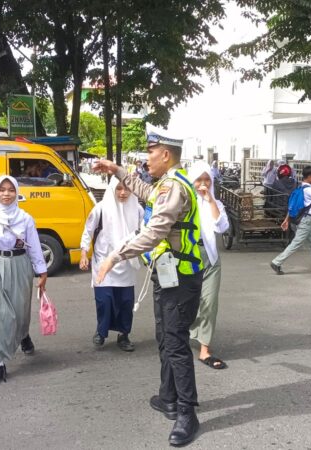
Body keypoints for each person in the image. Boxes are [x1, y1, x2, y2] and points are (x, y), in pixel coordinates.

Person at [92, 133, 204, 447]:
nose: (146, 158)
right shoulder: (166, 184)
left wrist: (116, 255)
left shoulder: (173, 186)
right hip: (168, 276)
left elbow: (155, 231)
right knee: (164, 337)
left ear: (165, 155)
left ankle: (187, 413)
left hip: (181, 279)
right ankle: (168, 397)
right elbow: (144, 191)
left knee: (176, 342)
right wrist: (115, 169)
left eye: (150, 153)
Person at [0, 176, 47, 387]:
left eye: (10, 190)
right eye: (2, 190)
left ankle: (23, 334)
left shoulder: (25, 218)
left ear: (17, 193)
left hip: (20, 265)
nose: (6, 194)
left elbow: (34, 246)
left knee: (20, 311)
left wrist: (42, 272)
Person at [80, 177, 144, 352]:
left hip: (127, 263)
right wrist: (84, 253)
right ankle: (101, 332)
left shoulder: (137, 209)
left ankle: (124, 335)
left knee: (125, 302)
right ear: (112, 189)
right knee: (104, 300)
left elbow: (144, 232)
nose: (123, 193)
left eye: (127, 189)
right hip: (103, 263)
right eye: (119, 189)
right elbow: (88, 231)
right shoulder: (101, 209)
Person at [187, 161, 230, 370]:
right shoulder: (184, 202)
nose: (203, 184)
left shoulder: (215, 203)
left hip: (210, 258)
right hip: (187, 258)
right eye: (199, 180)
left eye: (207, 180)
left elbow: (222, 227)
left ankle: (205, 348)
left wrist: (210, 200)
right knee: (189, 301)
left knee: (209, 303)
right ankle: (186, 332)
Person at [269, 167, 311, 275]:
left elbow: (292, 206)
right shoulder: (309, 190)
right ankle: (277, 262)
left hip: (308, 219)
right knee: (296, 243)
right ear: (309, 177)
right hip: (307, 220)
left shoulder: (300, 188)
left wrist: (287, 220)